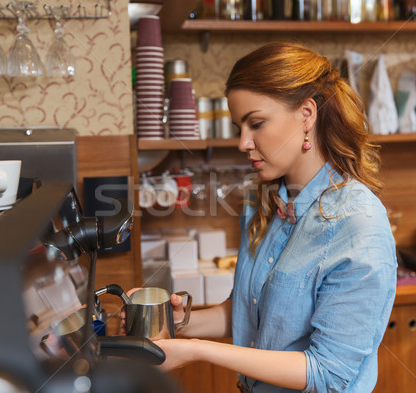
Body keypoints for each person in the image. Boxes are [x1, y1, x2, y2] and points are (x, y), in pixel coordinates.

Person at [135, 42, 397, 393]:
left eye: (256, 123)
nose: (243, 142)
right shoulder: (264, 204)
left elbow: (328, 373)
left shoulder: (358, 224)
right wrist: (180, 321)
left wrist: (195, 351)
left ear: (307, 114)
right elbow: (249, 314)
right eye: (239, 127)